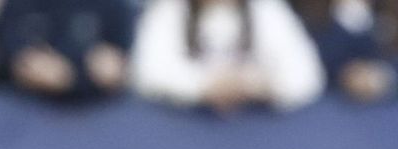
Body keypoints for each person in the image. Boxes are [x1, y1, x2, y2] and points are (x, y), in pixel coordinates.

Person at [130, 0, 325, 112]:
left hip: (255, 132)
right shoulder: (170, 9)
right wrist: (203, 86)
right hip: (186, 129)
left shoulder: (266, 9)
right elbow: (146, 73)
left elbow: (307, 75)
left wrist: (257, 84)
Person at [0, 0, 137, 100]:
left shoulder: (115, 5)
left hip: (101, 107)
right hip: (28, 104)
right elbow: (9, 45)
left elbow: (118, 59)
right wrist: (24, 63)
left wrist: (115, 67)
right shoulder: (19, 5)